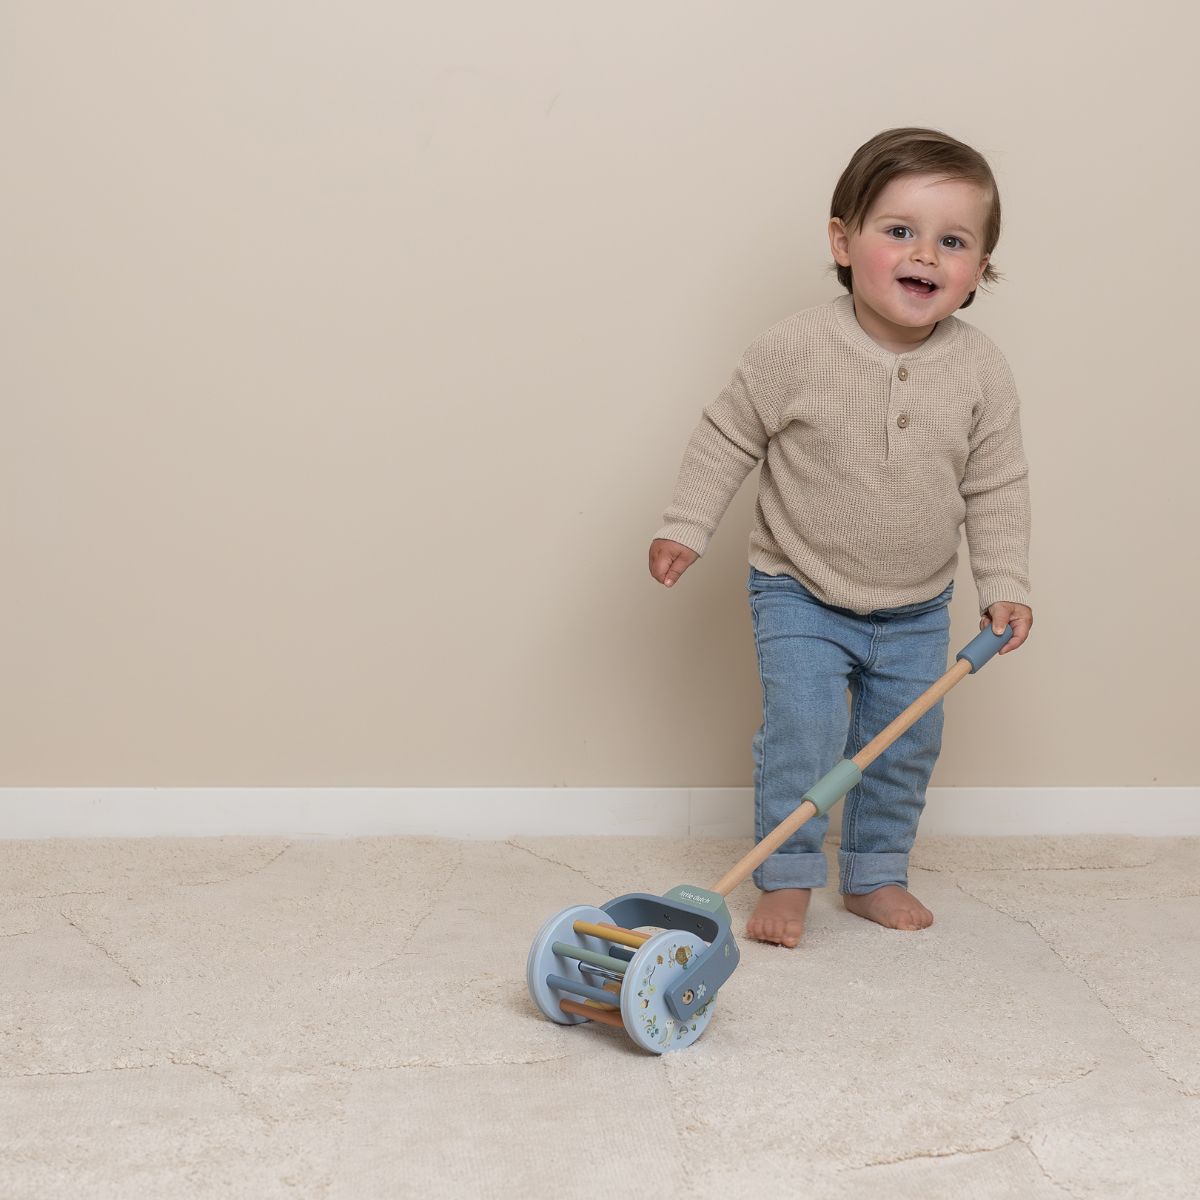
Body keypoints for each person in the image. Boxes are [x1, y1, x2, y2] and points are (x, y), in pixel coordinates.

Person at [648, 127, 1033, 947]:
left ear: (978, 272)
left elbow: (996, 482)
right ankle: (785, 876)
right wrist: (687, 525)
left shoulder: (981, 371)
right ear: (843, 241)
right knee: (804, 734)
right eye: (899, 231)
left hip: (919, 605)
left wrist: (1005, 581)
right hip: (798, 586)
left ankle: (875, 870)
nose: (924, 254)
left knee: (905, 745)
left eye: (952, 241)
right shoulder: (797, 347)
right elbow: (727, 436)